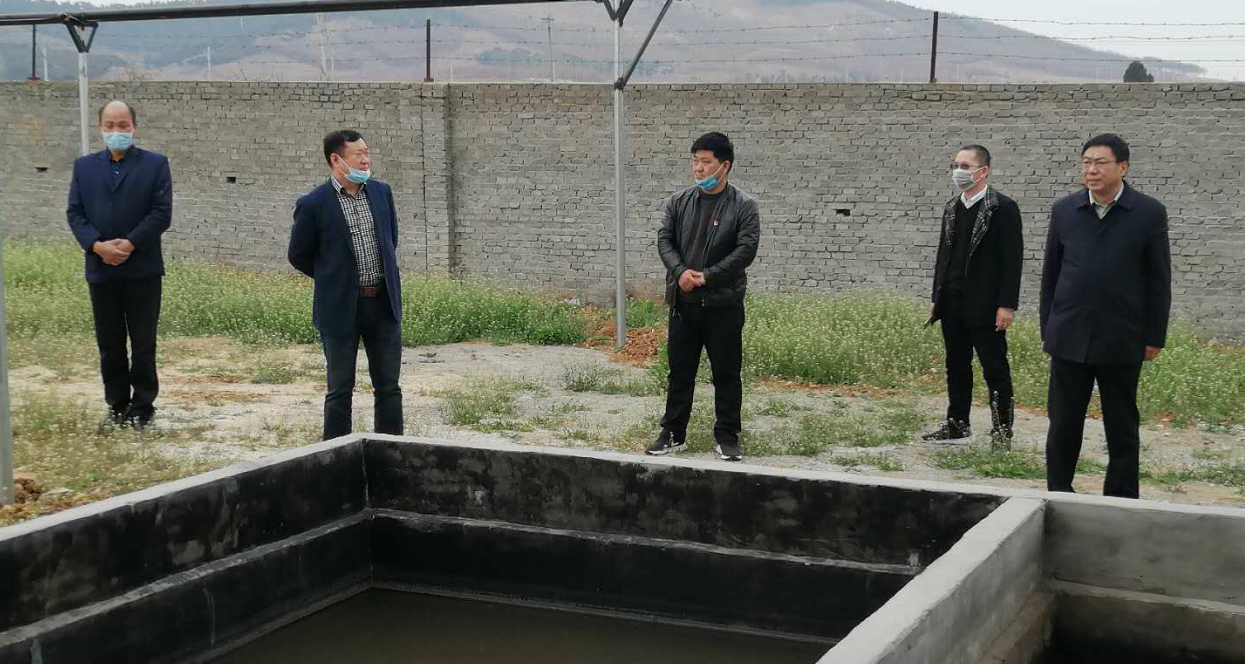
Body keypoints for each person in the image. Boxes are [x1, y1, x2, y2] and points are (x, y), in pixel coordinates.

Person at [1040, 133, 1172, 498]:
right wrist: (1048, 327)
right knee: (1063, 422)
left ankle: (1122, 499)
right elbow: (1051, 274)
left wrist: (1154, 336)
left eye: (1100, 163)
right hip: (1069, 334)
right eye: (1086, 163)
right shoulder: (1065, 210)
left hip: (1122, 336)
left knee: (1122, 425)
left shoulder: (1147, 213)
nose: (1091, 170)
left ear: (1123, 167)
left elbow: (1159, 279)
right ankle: (1058, 492)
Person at [648, 132, 760, 462]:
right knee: (680, 372)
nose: (698, 168)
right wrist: (680, 271)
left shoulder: (744, 206)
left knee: (726, 374)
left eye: (705, 162)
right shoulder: (678, 202)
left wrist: (708, 275)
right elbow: (664, 240)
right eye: (695, 161)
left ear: (724, 166)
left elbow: (746, 250)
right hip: (684, 304)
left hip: (723, 304)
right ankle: (672, 433)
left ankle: (727, 436)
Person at [289, 129, 404, 440]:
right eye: (358, 155)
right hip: (339, 308)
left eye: (367, 153)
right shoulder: (314, 203)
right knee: (340, 389)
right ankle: (335, 455)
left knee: (389, 387)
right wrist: (334, 279)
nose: (365, 160)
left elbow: (390, 240)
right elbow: (298, 255)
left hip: (383, 303)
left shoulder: (381, 192)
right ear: (336, 160)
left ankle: (391, 451)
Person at [66, 100, 172, 431]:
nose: (117, 131)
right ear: (101, 128)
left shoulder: (155, 165)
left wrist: (129, 244)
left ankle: (143, 408)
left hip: (142, 269)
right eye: (110, 125)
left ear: (134, 127)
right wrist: (97, 246)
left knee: (143, 343)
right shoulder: (84, 167)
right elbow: (75, 213)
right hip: (101, 269)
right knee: (109, 343)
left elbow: (161, 213)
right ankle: (117, 406)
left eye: (123, 125)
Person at [922, 145, 1023, 450]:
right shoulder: (952, 207)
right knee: (956, 365)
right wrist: (937, 296)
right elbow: (943, 256)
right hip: (952, 301)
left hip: (986, 303)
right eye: (955, 165)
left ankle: (1002, 431)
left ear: (983, 171)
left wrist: (1007, 304)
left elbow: (1012, 259)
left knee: (995, 369)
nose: (958, 171)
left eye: (965, 166)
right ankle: (957, 424)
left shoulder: (1002, 208)